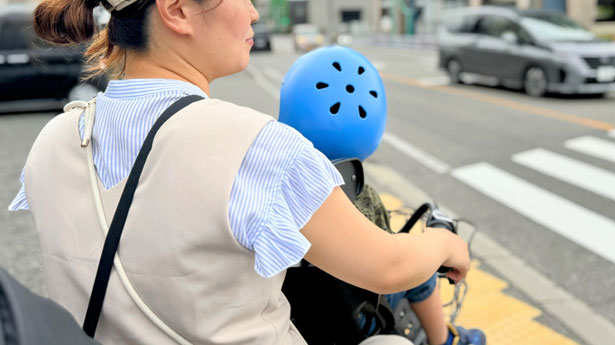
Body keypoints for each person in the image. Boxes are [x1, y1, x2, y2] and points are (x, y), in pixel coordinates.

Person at [8, 0, 471, 344]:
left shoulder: (54, 140)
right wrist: (446, 242)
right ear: (177, 11)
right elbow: (389, 267)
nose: (253, 12)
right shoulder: (254, 147)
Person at [278, 46, 486, 345]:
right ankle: (444, 340)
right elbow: (391, 262)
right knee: (419, 265)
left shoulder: (269, 171)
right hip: (356, 313)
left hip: (302, 315)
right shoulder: (361, 196)